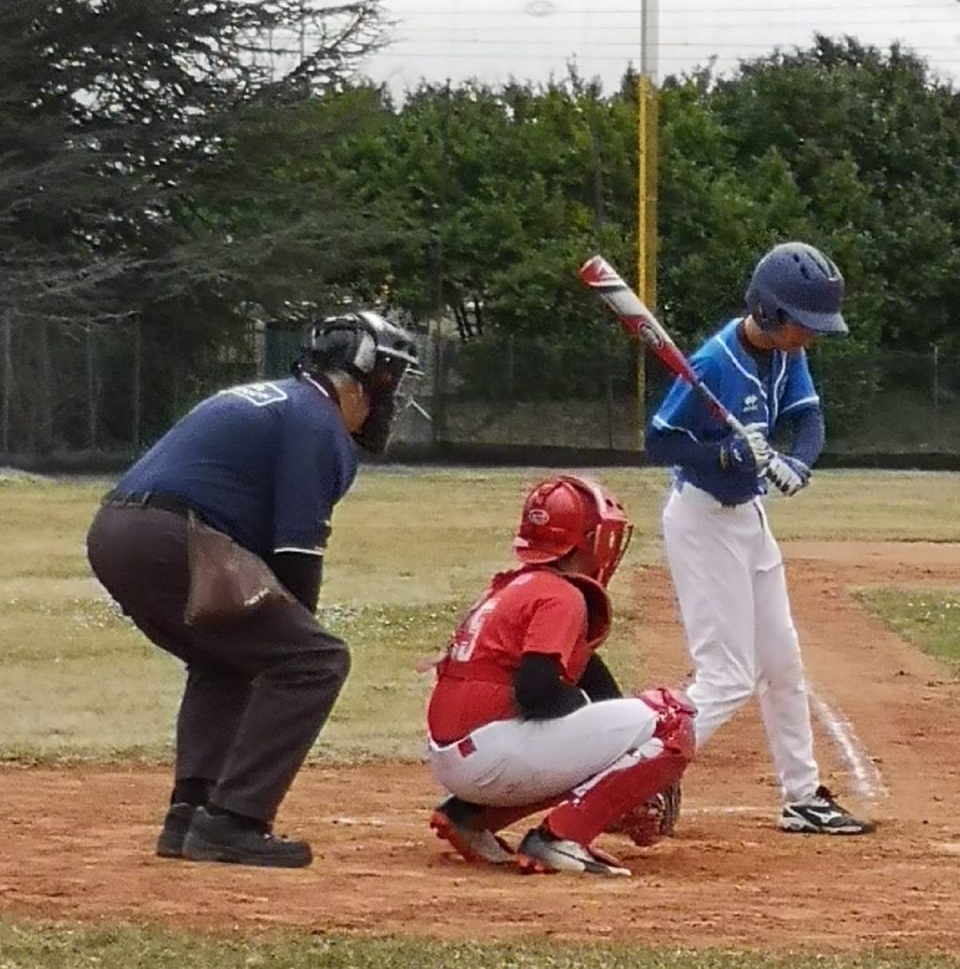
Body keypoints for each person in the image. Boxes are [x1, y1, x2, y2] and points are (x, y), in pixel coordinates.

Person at [87, 311, 419, 868]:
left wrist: (275, 635)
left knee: (226, 659)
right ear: (362, 371)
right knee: (314, 662)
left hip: (117, 532)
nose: (390, 394)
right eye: (389, 377)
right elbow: (297, 549)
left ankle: (190, 814)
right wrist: (295, 635)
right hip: (174, 536)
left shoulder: (268, 397)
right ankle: (236, 820)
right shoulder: (318, 421)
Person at [646, 239, 873, 835]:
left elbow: (809, 419)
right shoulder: (714, 362)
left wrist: (796, 462)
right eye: (805, 324)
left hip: (749, 519)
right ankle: (634, 771)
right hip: (702, 521)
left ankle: (802, 796)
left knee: (782, 663)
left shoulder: (784, 352)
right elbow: (660, 440)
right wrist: (723, 453)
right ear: (770, 312)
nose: (812, 338)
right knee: (726, 676)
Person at [425, 474, 697, 876]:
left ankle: (470, 816)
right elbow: (536, 691)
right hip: (489, 756)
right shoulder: (561, 595)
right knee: (673, 718)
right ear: (584, 540)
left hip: (455, 754)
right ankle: (559, 840)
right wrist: (622, 759)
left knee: (603, 725)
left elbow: (588, 675)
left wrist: (618, 747)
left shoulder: (513, 586)